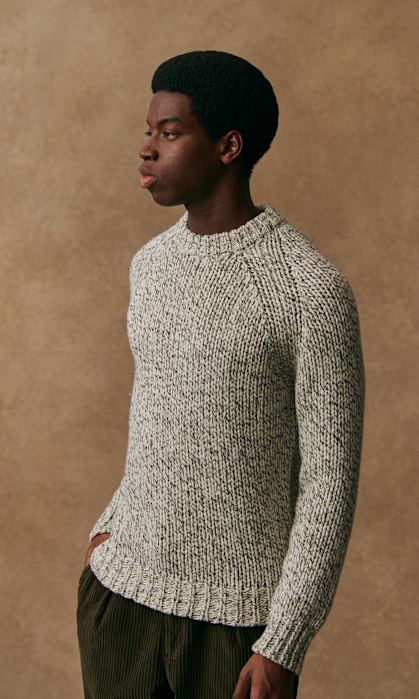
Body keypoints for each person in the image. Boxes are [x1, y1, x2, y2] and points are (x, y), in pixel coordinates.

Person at [77, 50, 365, 699]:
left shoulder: (310, 291)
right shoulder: (150, 265)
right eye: (148, 130)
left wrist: (283, 639)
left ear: (228, 147)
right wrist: (106, 532)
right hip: (119, 603)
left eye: (169, 132)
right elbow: (156, 419)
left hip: (235, 632)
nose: (146, 148)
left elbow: (328, 486)